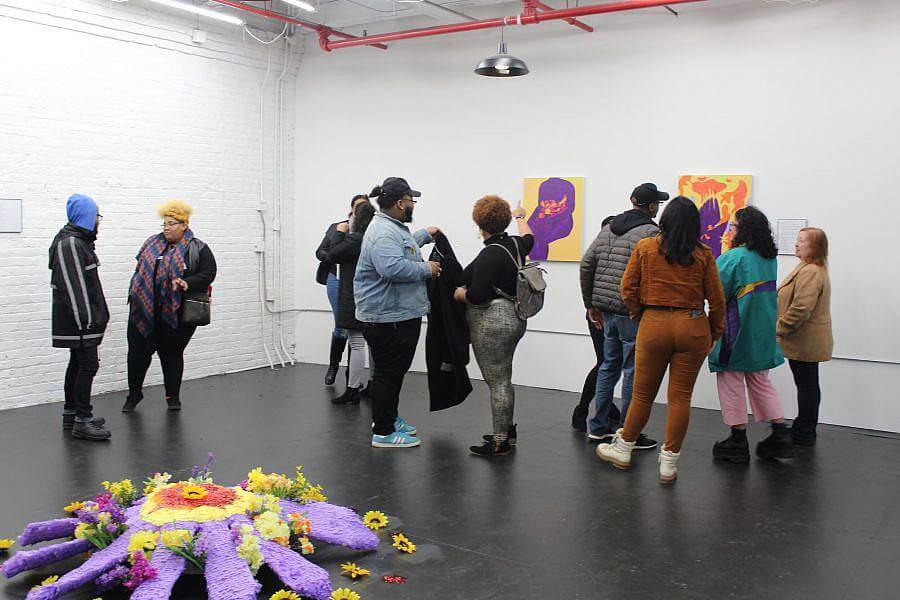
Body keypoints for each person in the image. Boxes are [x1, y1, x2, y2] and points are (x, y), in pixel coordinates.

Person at [597, 196, 726, 484]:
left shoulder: (646, 248)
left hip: (653, 324)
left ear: (665, 220)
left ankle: (624, 448)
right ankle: (668, 464)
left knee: (642, 395)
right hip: (693, 326)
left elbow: (627, 288)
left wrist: (638, 313)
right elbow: (717, 301)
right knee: (680, 398)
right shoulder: (704, 254)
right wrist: (715, 332)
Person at [354, 177, 441, 448]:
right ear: (401, 203)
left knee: (392, 372)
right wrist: (429, 269)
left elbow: (399, 251)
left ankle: (389, 418)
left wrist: (423, 236)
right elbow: (392, 268)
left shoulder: (391, 228)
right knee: (388, 374)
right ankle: (383, 432)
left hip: (394, 314)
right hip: (388, 317)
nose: (413, 204)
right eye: (411, 200)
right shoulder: (383, 232)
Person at [579, 183, 668, 448]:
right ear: (650, 207)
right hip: (632, 311)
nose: (658, 208)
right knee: (631, 370)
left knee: (608, 366)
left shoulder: (608, 230)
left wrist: (591, 303)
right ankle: (628, 432)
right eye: (657, 204)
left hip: (606, 311)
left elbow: (586, 264)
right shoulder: (652, 232)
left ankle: (597, 427)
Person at [708, 206, 794, 462]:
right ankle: (780, 431)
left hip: (735, 331)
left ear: (742, 230)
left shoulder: (732, 258)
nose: (729, 230)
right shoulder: (769, 257)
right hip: (762, 331)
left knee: (731, 382)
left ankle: (737, 440)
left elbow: (716, 293)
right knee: (760, 381)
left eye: (732, 226)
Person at [454, 195, 534, 456]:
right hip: (516, 317)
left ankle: (499, 441)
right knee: (504, 378)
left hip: (493, 322)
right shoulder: (514, 244)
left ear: (479, 224)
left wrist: (458, 295)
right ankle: (506, 431)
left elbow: (477, 295)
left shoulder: (489, 254)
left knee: (498, 382)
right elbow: (529, 238)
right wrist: (521, 216)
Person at [123, 200, 217, 412]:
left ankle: (172, 397)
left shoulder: (197, 248)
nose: (166, 227)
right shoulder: (151, 244)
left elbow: (208, 272)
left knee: (172, 355)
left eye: (172, 223)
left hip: (176, 312)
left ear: (184, 224)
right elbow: (140, 270)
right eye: (164, 224)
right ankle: (134, 394)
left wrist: (187, 282)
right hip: (143, 311)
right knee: (137, 355)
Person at [50, 194, 111, 440]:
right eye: (96, 216)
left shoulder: (76, 242)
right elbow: (75, 288)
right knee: (88, 364)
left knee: (77, 363)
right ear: (86, 216)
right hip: (80, 321)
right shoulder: (71, 244)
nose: (98, 221)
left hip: (80, 319)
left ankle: (73, 413)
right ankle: (82, 420)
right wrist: (87, 320)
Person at [777, 227, 832, 447]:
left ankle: (805, 430)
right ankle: (804, 427)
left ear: (814, 247)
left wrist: (781, 327)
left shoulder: (810, 271)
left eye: (802, 241)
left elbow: (801, 308)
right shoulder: (808, 268)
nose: (796, 244)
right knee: (807, 384)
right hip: (804, 340)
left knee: (807, 385)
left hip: (805, 340)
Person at [325, 200, 376, 405]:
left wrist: (339, 232)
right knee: (372, 344)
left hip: (355, 297)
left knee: (356, 343)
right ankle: (372, 384)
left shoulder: (355, 239)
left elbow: (333, 254)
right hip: (371, 297)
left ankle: (353, 389)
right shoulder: (373, 239)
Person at [316, 195, 369, 386]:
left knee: (355, 328)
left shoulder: (370, 231)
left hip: (357, 283)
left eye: (364, 207)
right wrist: (332, 256)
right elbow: (320, 252)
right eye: (357, 207)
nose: (359, 211)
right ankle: (333, 367)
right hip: (336, 280)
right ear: (352, 209)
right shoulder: (338, 227)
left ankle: (351, 376)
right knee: (341, 325)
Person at [571, 217, 618, 433]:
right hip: (598, 315)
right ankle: (582, 409)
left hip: (608, 314)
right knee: (605, 363)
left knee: (609, 364)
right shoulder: (599, 253)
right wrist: (591, 308)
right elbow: (586, 278)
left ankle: (606, 408)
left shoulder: (611, 253)